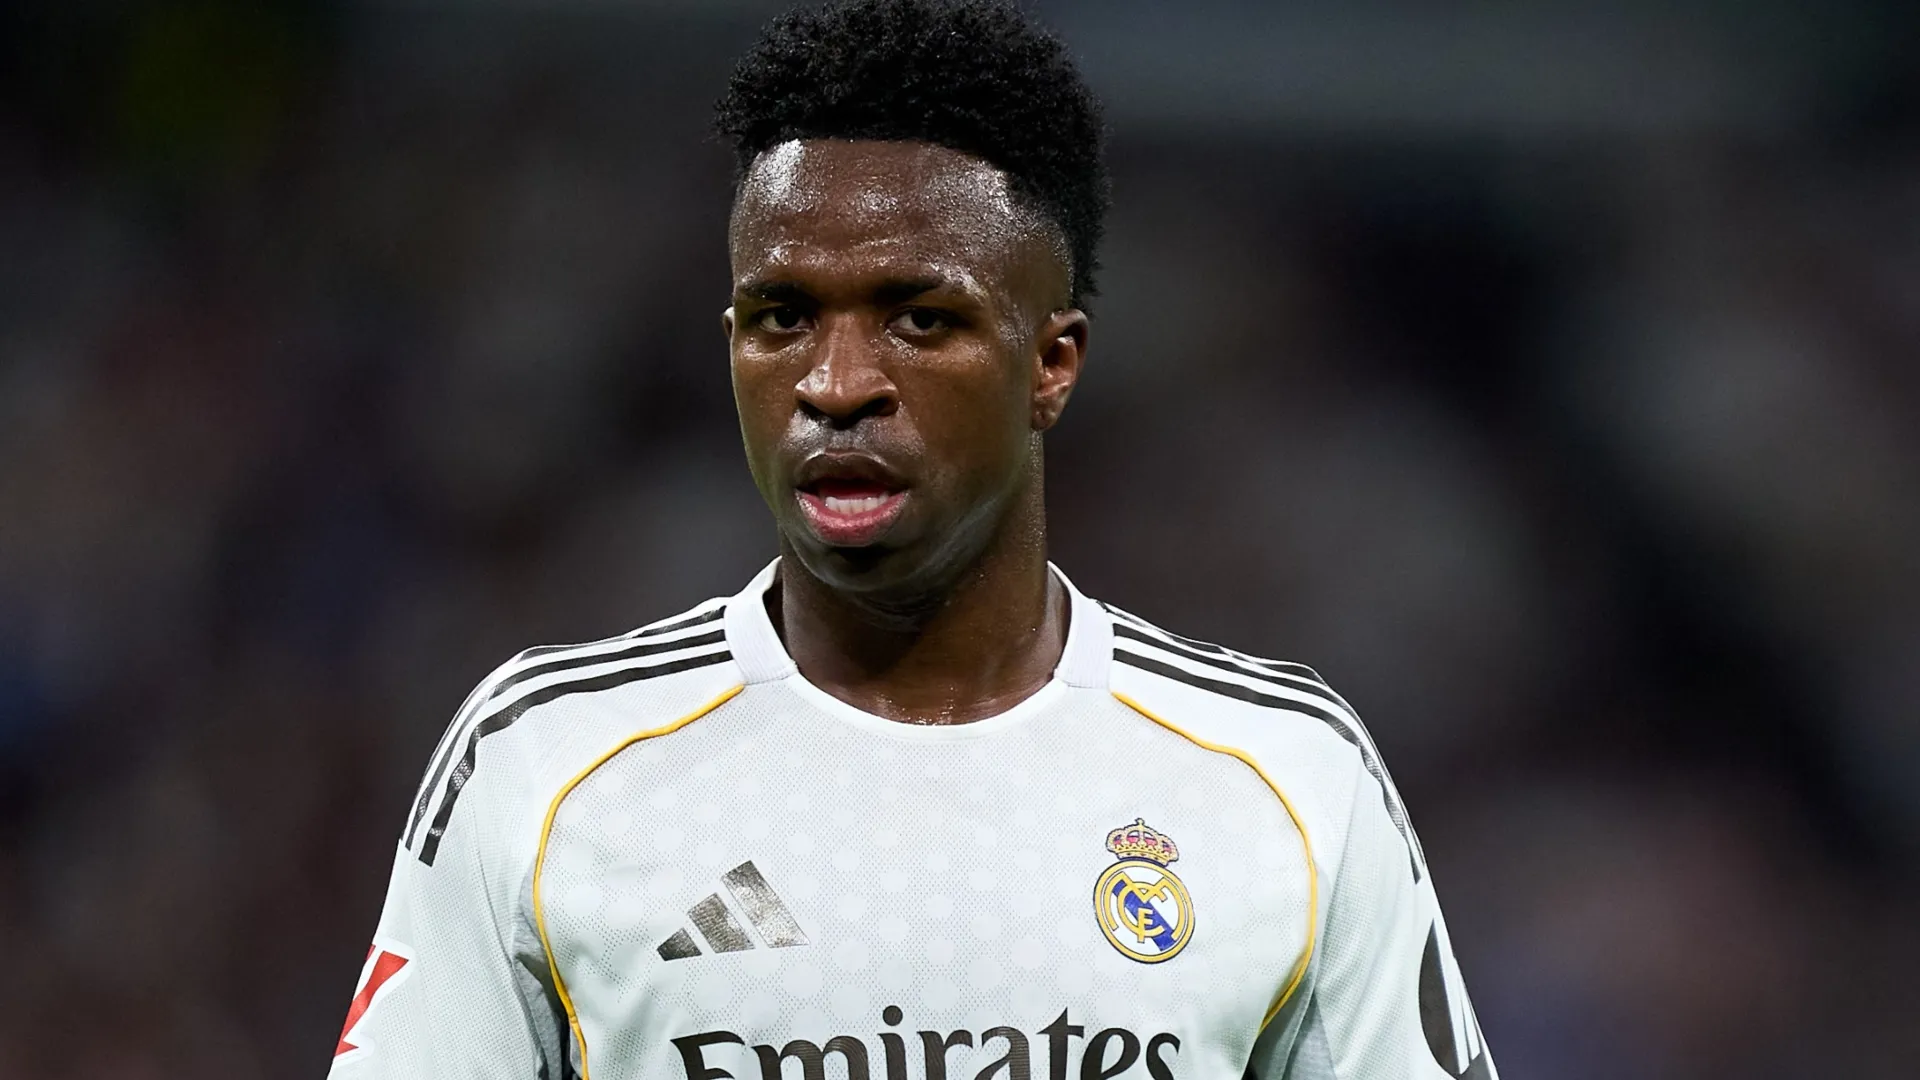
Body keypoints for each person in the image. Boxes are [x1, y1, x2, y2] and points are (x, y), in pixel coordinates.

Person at [328, 1, 1496, 1077]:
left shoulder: (1281, 778)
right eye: (783, 317)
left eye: (920, 319)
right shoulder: (546, 766)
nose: (835, 385)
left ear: (1052, 364)